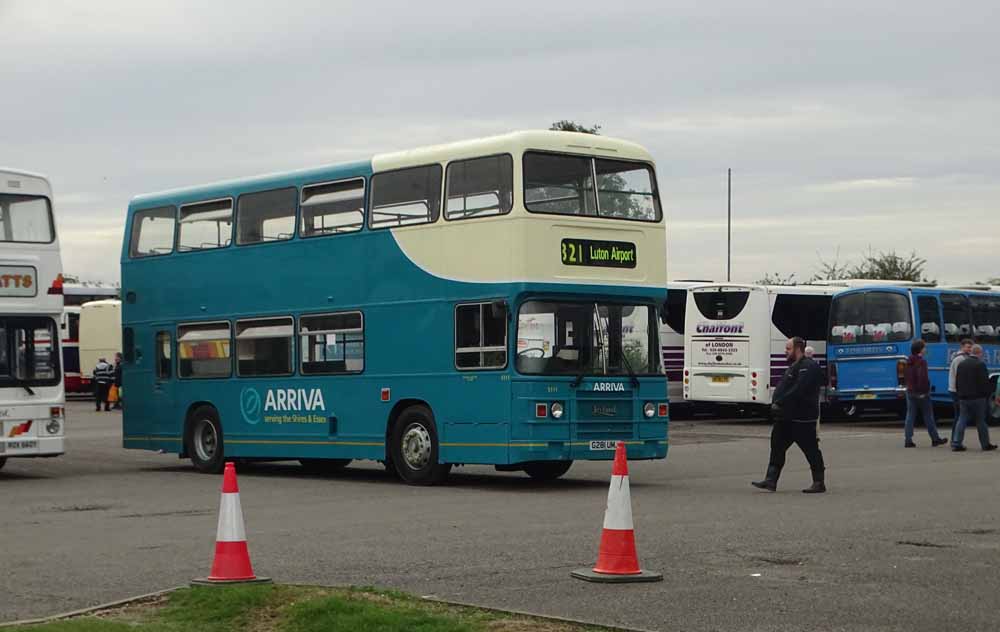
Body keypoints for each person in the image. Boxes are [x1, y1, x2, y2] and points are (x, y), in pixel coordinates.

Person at [752, 337, 826, 493]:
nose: (785, 351)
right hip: (785, 418)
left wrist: (781, 402)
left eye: (788, 348)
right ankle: (771, 480)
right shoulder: (794, 366)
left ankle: (819, 482)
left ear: (798, 349)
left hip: (802, 418)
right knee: (777, 447)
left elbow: (799, 389)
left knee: (811, 449)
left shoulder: (808, 366)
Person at [951, 344, 997, 452]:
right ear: (979, 353)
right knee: (981, 421)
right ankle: (985, 444)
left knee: (961, 420)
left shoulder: (962, 364)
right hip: (978, 398)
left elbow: (957, 381)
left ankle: (957, 443)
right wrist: (987, 395)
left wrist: (960, 394)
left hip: (963, 397)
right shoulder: (980, 364)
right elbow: (984, 382)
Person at [903, 339, 947, 448]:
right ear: (920, 349)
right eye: (924, 347)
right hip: (921, 393)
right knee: (928, 416)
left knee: (910, 416)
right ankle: (935, 438)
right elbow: (922, 377)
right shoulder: (922, 361)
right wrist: (924, 391)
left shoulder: (908, 361)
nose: (925, 349)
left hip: (910, 391)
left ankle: (908, 440)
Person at [948, 339, 974, 419]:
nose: (970, 349)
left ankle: (957, 431)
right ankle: (956, 431)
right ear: (962, 347)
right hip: (957, 390)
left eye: (971, 347)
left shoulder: (961, 357)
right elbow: (959, 376)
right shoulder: (960, 359)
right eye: (968, 347)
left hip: (956, 389)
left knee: (959, 415)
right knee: (959, 415)